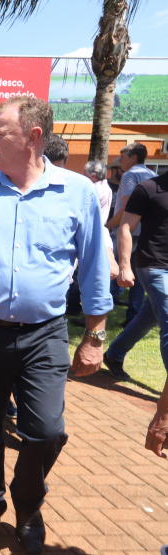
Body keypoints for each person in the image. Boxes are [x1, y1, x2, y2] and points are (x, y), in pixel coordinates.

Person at [0, 96, 112, 554]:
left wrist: (94, 336)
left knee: (47, 431)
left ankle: (28, 503)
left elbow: (92, 269)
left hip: (44, 333)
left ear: (33, 137)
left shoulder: (77, 192)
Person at [113, 169, 168, 458]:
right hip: (154, 267)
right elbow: (125, 226)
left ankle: (115, 353)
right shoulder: (149, 188)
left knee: (150, 315)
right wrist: (124, 265)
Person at [106, 143, 157, 326]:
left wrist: (107, 225)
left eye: (123, 156)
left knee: (110, 270)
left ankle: (99, 312)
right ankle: (132, 316)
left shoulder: (130, 175)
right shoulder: (153, 175)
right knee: (137, 276)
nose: (120, 161)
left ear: (133, 157)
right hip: (145, 233)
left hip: (127, 232)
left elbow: (129, 207)